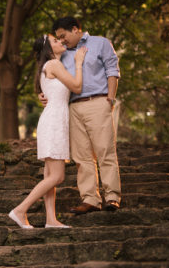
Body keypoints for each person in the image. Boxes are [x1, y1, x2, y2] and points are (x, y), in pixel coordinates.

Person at [42, 16, 121, 215]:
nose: (62, 41)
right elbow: (54, 80)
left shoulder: (100, 43)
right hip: (73, 108)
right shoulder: (61, 55)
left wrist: (110, 99)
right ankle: (90, 199)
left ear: (76, 29)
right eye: (58, 38)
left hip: (98, 102)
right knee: (81, 156)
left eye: (63, 36)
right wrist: (45, 95)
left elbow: (112, 70)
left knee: (105, 151)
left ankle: (112, 197)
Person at [9, 34, 87, 229]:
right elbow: (77, 87)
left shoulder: (48, 66)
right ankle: (20, 210)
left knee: (49, 176)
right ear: (49, 49)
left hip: (52, 121)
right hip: (53, 123)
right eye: (55, 41)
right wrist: (78, 63)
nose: (60, 41)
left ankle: (51, 220)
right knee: (57, 177)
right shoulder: (53, 65)